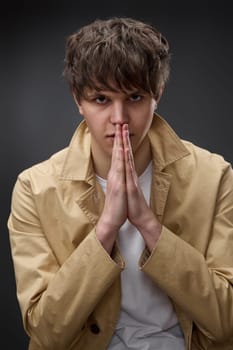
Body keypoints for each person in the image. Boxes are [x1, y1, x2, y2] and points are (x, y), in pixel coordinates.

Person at [8, 17, 233, 350]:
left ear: (157, 93)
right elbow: (46, 332)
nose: (119, 118)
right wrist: (106, 229)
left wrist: (148, 224)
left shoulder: (215, 176)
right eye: (101, 99)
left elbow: (226, 323)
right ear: (77, 99)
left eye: (135, 97)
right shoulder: (34, 188)